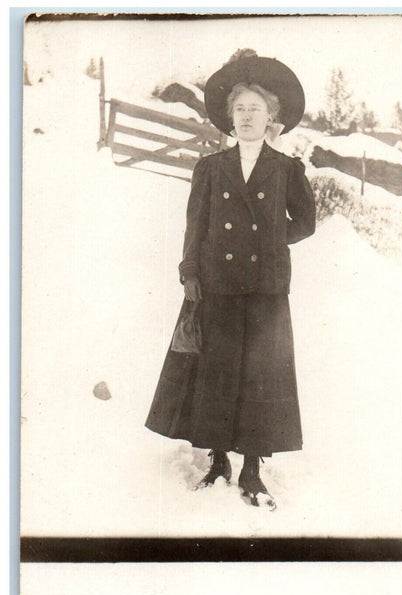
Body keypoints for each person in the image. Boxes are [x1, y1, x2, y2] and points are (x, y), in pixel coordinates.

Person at [145, 54, 316, 510]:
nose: (245, 117)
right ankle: (218, 459)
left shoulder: (286, 169)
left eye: (255, 110)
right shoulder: (211, 168)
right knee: (217, 375)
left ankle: (253, 469)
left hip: (265, 287)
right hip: (217, 284)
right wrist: (189, 272)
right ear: (228, 117)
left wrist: (273, 240)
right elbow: (195, 227)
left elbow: (306, 222)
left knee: (260, 376)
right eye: (239, 110)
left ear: (272, 117)